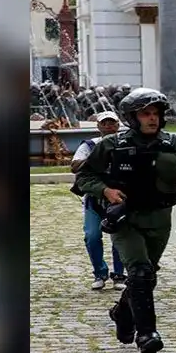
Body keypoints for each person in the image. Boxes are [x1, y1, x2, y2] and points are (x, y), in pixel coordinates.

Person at [75, 88, 176, 353]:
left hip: (159, 217)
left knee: (147, 275)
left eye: (155, 113)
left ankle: (122, 313)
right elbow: (84, 177)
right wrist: (105, 191)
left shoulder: (173, 142)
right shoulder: (112, 144)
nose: (152, 118)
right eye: (145, 114)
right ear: (132, 117)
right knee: (140, 272)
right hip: (125, 218)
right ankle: (146, 334)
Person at [71, 111, 126, 290]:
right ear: (98, 126)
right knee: (92, 236)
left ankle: (119, 275)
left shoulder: (125, 144)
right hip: (94, 198)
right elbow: (74, 166)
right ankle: (100, 273)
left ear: (118, 125)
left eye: (112, 123)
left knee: (120, 237)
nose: (108, 126)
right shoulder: (90, 145)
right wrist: (95, 157)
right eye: (104, 123)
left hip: (120, 197)